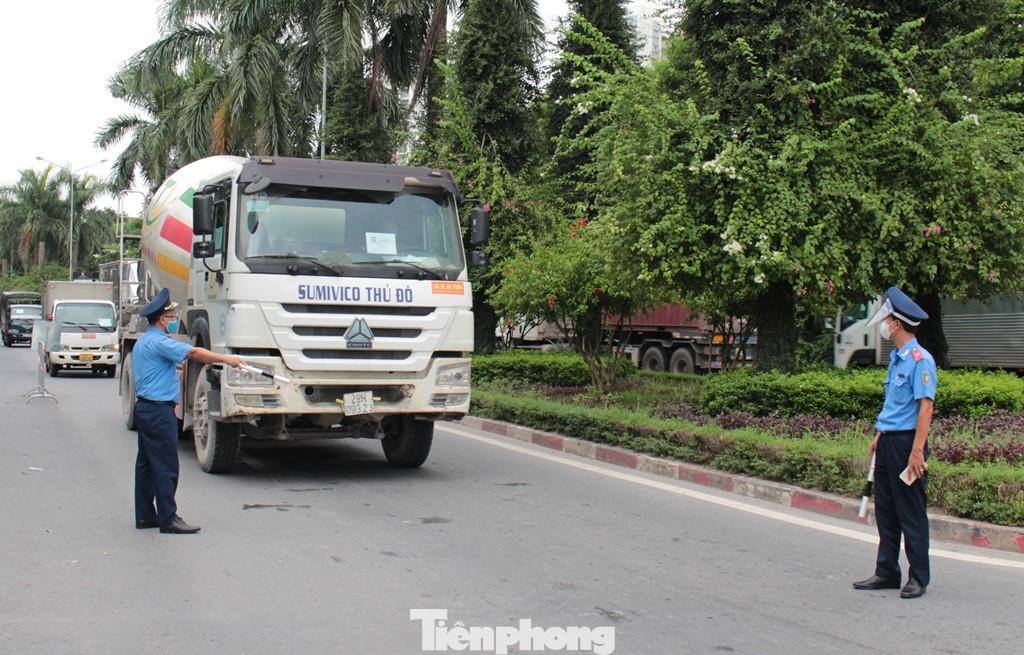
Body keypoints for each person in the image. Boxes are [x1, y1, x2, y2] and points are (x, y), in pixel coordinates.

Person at [132, 288, 245, 534]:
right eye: (171, 317)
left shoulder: (144, 341)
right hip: (159, 411)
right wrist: (227, 359)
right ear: (162, 319)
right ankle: (168, 518)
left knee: (146, 464)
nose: (174, 321)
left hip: (145, 408)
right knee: (165, 466)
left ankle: (145, 515)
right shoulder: (161, 342)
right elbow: (193, 353)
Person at [853, 287, 936, 599]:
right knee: (886, 510)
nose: (885, 323)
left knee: (910, 512)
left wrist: (917, 451)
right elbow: (894, 403)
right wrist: (879, 433)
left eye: (887, 318)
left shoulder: (920, 360)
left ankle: (919, 578)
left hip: (907, 446)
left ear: (898, 324)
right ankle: (887, 571)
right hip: (889, 441)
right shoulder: (897, 359)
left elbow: (925, 407)